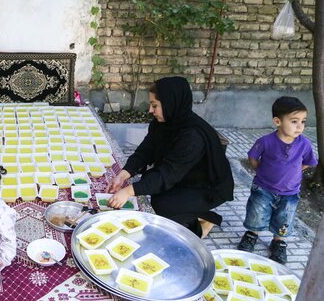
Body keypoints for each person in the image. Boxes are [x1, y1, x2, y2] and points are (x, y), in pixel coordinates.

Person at [107, 76, 234, 238]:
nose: (150, 111)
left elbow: (168, 174)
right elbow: (146, 150)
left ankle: (204, 221)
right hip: (183, 175)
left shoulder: (192, 136)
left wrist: (129, 191)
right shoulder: (163, 122)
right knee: (154, 188)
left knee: (163, 205)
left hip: (205, 186)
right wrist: (124, 173)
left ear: (170, 103)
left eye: (154, 106)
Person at [237, 97, 317, 264]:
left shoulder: (305, 144)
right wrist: (261, 170)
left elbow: (308, 162)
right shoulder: (266, 141)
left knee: (284, 218)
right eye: (294, 121)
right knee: (256, 213)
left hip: (290, 192)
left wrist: (293, 171)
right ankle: (252, 234)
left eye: (303, 121)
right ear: (277, 121)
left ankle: (278, 242)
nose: (300, 126)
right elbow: (253, 157)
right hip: (263, 188)